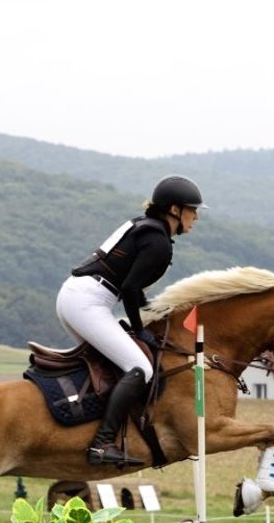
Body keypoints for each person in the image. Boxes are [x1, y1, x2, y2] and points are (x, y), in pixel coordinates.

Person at [56, 174, 206, 466]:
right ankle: (101, 444)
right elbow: (130, 289)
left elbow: (132, 291)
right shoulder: (159, 242)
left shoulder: (144, 226)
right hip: (89, 302)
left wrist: (147, 313)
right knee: (139, 367)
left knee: (113, 367)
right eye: (192, 209)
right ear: (175, 210)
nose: (196, 217)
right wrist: (140, 329)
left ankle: (84, 430)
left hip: (77, 297)